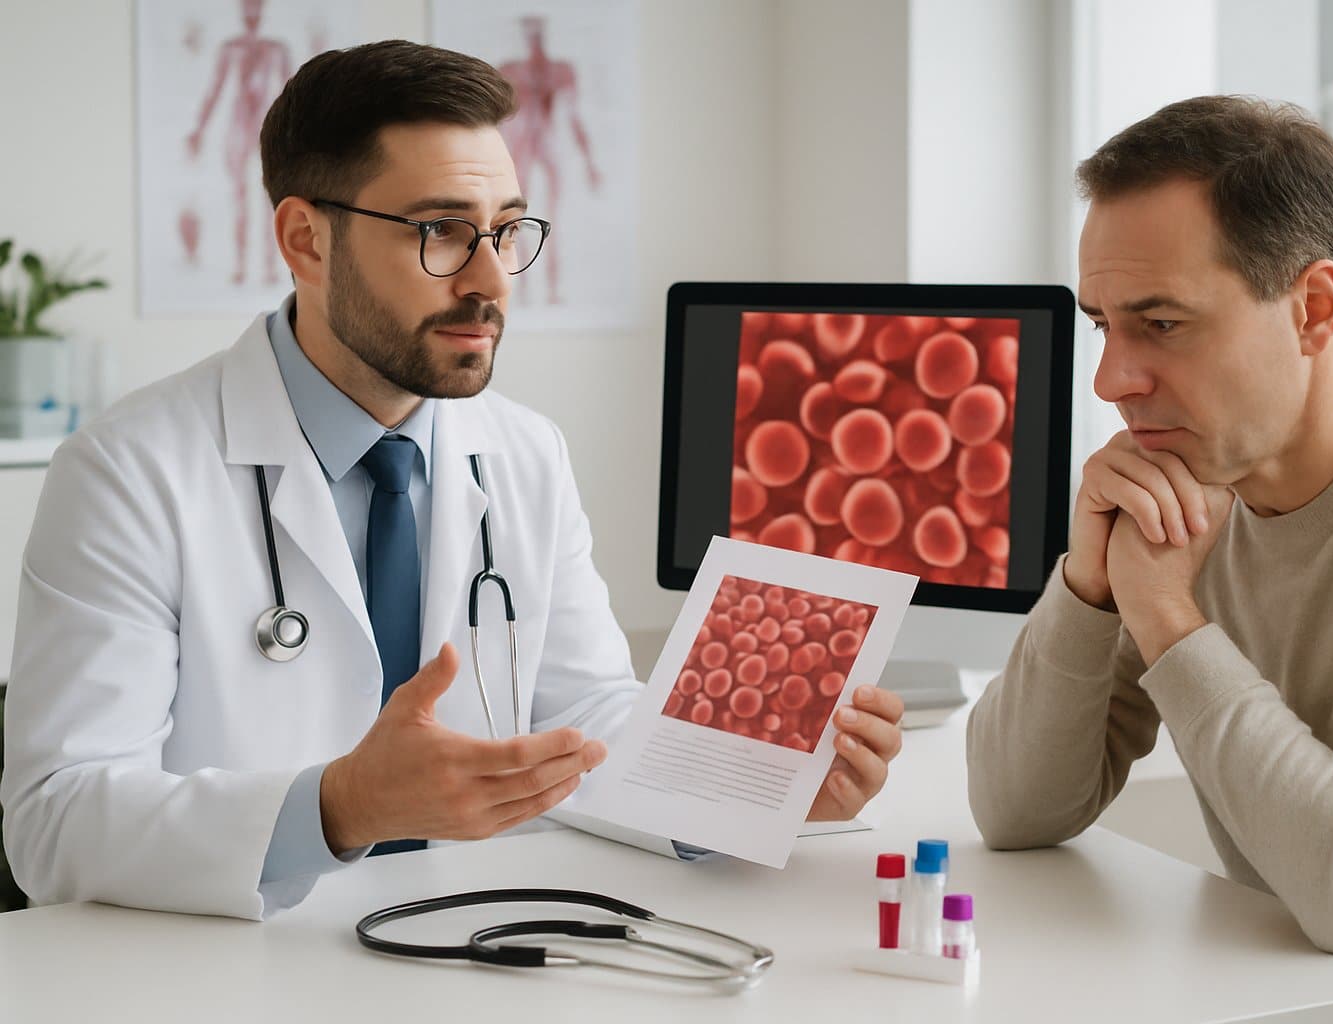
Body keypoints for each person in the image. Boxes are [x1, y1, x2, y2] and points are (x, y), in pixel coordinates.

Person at [1, 39, 903, 921]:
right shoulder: (129, 470)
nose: (492, 281)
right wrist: (338, 808)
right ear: (306, 240)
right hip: (235, 975)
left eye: (507, 231)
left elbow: (582, 715)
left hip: (466, 938)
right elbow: (56, 820)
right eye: (442, 232)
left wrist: (750, 791)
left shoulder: (524, 451)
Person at [966, 96, 1333, 1023]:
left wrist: (1168, 621)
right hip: (1316, 999)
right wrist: (1090, 587)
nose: (1112, 381)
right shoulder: (1188, 478)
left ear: (1314, 308)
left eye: (1162, 323)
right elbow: (1016, 812)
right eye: (1104, 325)